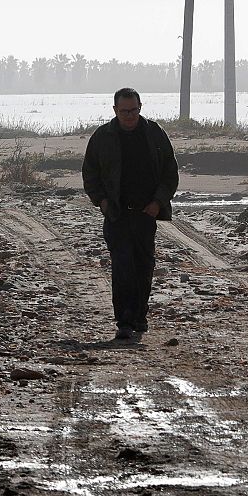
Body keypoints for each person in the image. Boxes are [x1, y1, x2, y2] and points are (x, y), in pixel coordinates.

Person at [81, 87, 179, 343]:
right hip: (116, 215)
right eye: (124, 111)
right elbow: (90, 174)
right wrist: (102, 202)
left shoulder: (154, 133)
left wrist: (158, 202)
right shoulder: (103, 137)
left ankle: (139, 316)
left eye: (134, 110)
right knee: (123, 267)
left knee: (144, 267)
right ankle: (124, 321)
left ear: (140, 107)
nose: (130, 115)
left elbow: (170, 172)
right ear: (115, 110)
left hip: (146, 214)